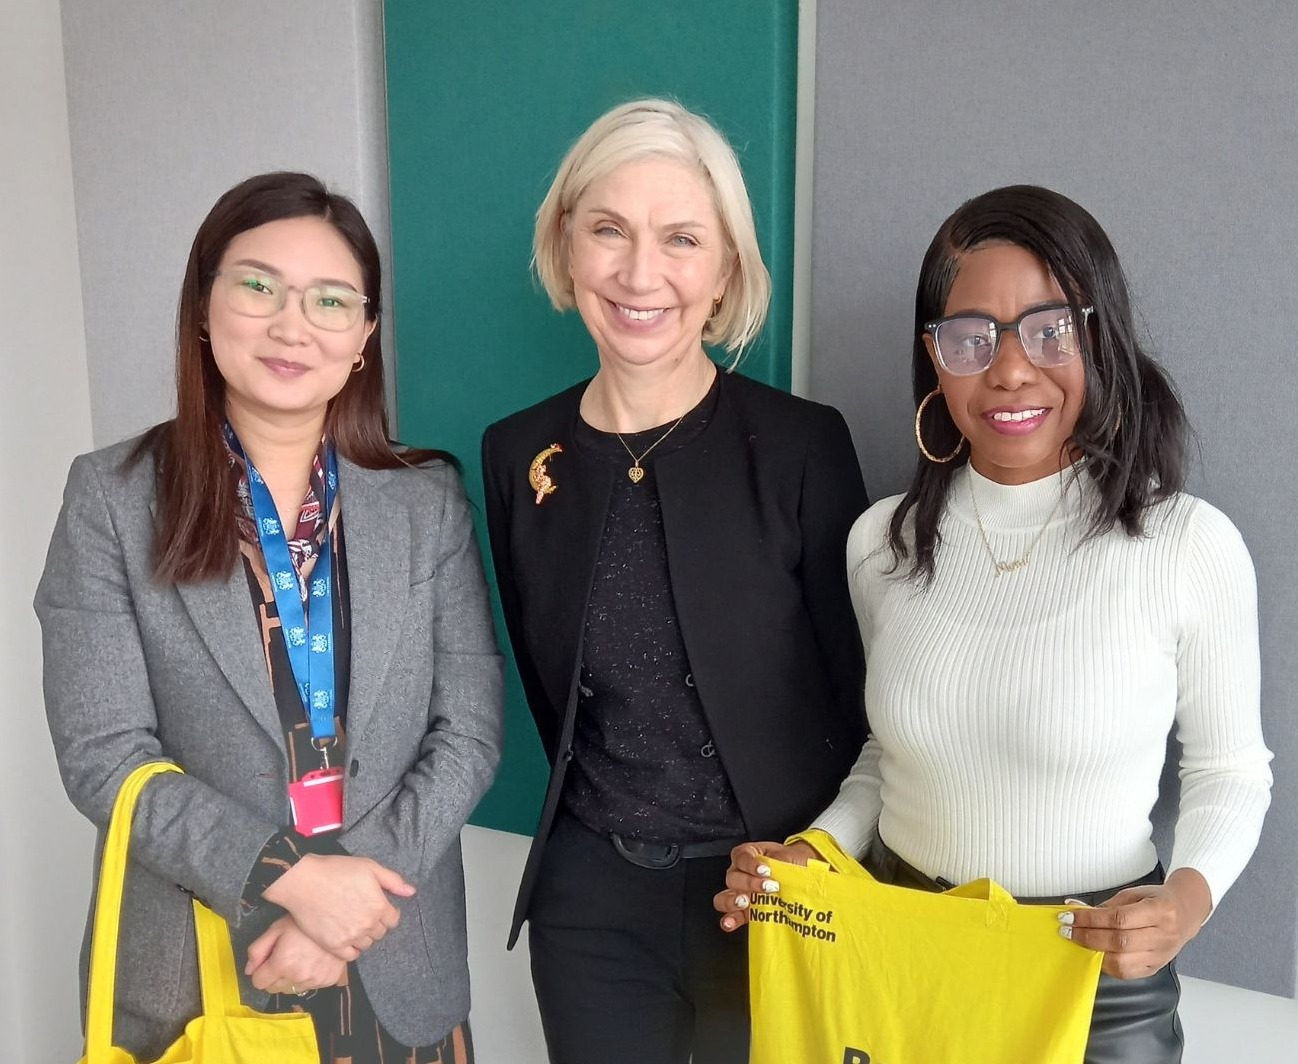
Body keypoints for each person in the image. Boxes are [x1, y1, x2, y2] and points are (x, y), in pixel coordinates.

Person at [716, 184, 1274, 1063]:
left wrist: (1187, 902)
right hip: (900, 954)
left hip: (1092, 977)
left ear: (1101, 336)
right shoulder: (881, 544)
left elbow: (1231, 770)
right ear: (933, 360)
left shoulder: (1185, 544)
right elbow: (888, 753)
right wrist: (821, 848)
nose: (1010, 370)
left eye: (1051, 330)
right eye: (970, 338)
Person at [36, 171, 502, 1063]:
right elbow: (105, 754)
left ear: (364, 337)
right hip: (203, 964)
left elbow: (469, 731)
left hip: (396, 960)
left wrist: (343, 915)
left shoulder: (426, 501)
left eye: (331, 301)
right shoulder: (111, 498)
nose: (293, 326)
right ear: (203, 307)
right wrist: (284, 879)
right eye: (258, 286)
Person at [480, 99, 868, 1064]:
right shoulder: (517, 452)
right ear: (566, 245)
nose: (640, 272)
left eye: (682, 238)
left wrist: (819, 861)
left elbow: (863, 698)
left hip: (773, 898)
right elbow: (546, 684)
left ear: (726, 268)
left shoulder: (802, 447)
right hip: (592, 907)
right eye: (608, 229)